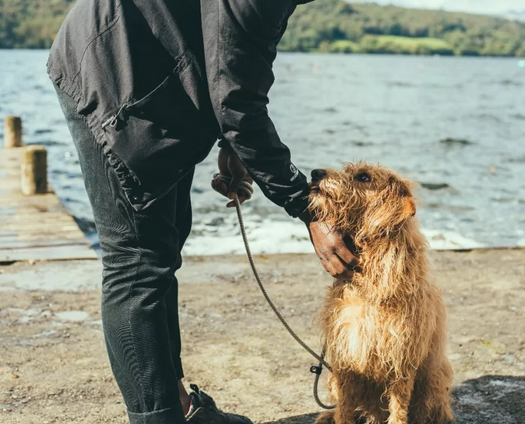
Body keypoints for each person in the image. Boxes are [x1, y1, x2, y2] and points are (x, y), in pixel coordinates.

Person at [47, 0, 358, 423]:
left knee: (164, 247)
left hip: (156, 72)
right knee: (137, 263)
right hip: (114, 68)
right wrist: (308, 209)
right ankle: (158, 418)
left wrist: (231, 143)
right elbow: (236, 100)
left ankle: (180, 407)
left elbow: (240, 58)